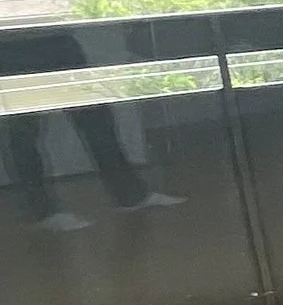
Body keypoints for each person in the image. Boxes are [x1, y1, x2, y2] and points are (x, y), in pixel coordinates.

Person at [2, 98, 185, 231]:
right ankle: (41, 211)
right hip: (15, 54)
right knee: (22, 130)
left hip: (58, 49)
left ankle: (131, 194)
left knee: (95, 115)